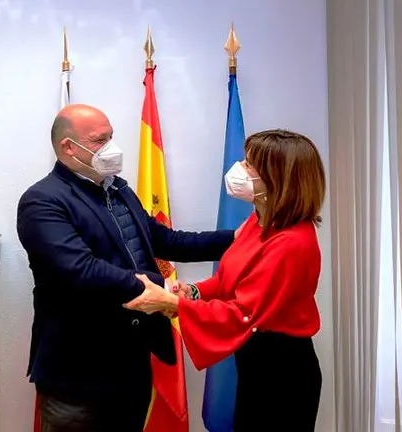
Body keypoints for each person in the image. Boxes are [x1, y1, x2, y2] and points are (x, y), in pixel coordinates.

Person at [16, 103, 237, 432]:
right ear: (68, 147)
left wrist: (238, 238)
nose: (111, 147)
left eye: (111, 137)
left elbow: (167, 241)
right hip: (78, 370)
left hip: (131, 363)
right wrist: (159, 289)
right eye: (99, 140)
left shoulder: (118, 189)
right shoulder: (43, 200)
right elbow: (80, 270)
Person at [125, 128, 325, 431]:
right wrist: (193, 292)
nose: (239, 168)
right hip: (255, 361)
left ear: (277, 178)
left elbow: (244, 313)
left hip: (282, 368)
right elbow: (230, 280)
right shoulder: (260, 221)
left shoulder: (291, 242)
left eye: (249, 165)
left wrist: (173, 303)